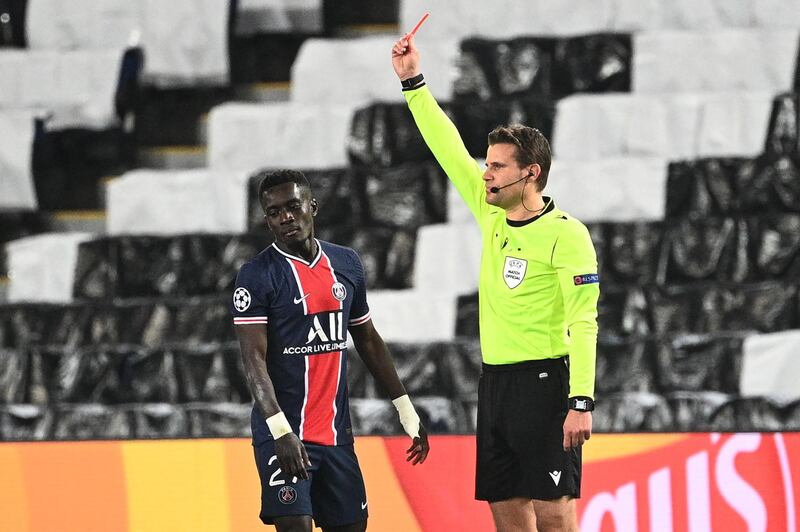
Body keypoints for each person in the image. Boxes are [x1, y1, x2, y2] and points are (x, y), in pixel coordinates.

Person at [391, 34, 599, 532]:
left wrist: (582, 401)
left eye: (498, 166)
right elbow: (446, 148)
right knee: (506, 513)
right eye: (487, 164)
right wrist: (412, 82)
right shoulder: (491, 212)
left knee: (554, 514)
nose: (485, 174)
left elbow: (584, 319)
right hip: (496, 385)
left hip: (549, 386)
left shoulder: (568, 235)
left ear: (532, 173)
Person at [232, 169, 430, 532]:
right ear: (267, 220)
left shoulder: (346, 264)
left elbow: (368, 339)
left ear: (313, 206)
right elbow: (253, 361)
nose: (286, 217)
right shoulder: (256, 275)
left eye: (293, 206)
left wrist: (405, 408)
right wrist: (281, 432)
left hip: (337, 436)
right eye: (275, 212)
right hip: (285, 435)